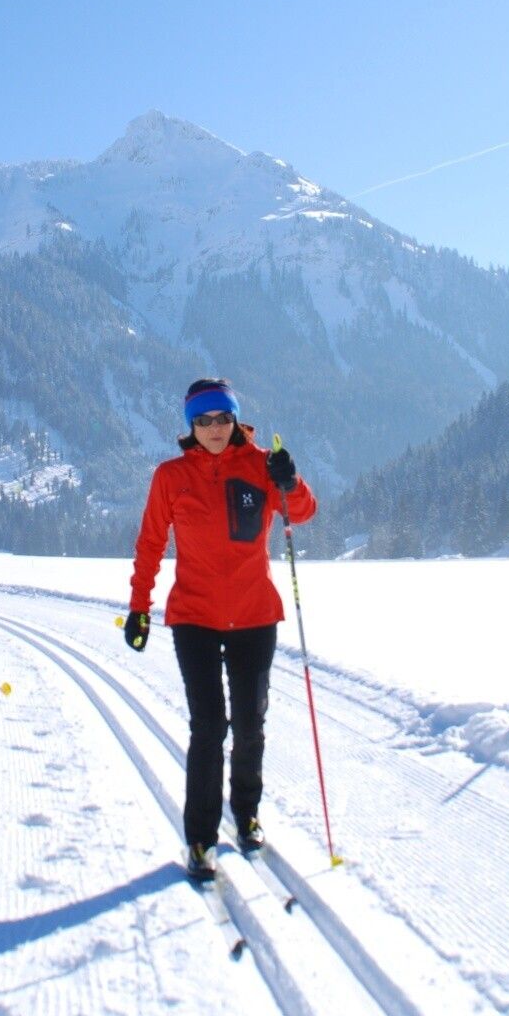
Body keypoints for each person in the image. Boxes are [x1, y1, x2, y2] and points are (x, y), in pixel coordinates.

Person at [125, 377, 317, 882]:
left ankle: (247, 813)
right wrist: (139, 606)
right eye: (204, 420)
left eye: (223, 418)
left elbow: (302, 512)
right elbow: (150, 542)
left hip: (255, 616)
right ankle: (201, 837)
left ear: (235, 420)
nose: (214, 428)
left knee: (251, 723)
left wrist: (291, 480)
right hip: (195, 619)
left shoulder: (261, 465)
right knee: (209, 727)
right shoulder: (170, 476)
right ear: (191, 425)